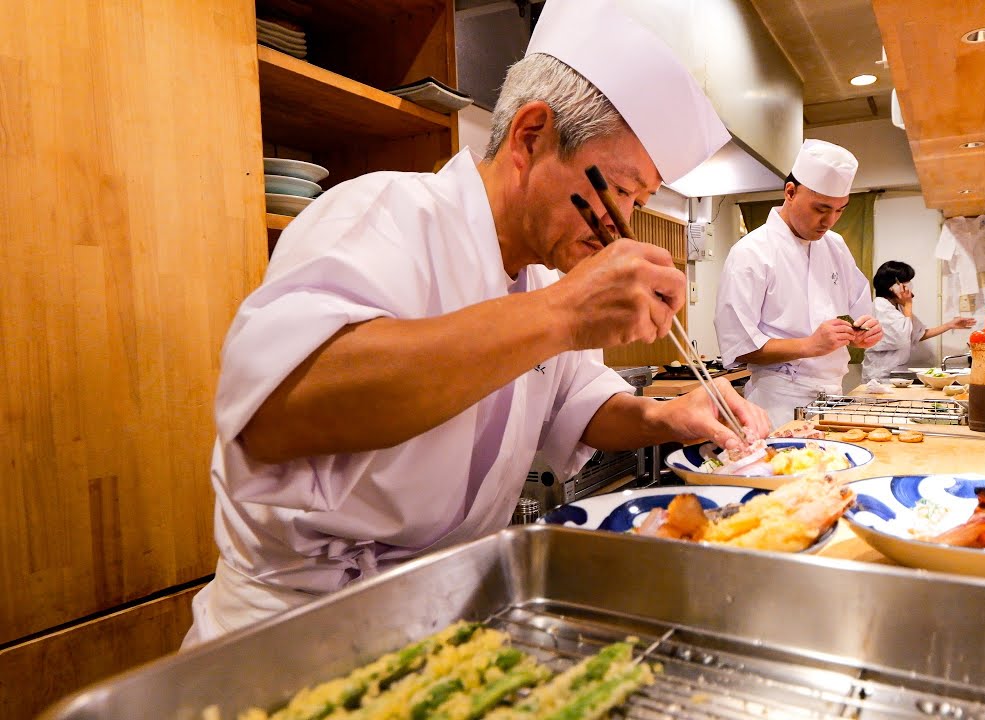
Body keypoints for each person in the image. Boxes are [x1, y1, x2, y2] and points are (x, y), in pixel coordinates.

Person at [183, 0, 770, 646]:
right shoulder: (383, 215)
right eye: (621, 191)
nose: (623, 221)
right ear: (530, 135)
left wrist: (664, 416)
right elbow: (280, 413)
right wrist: (564, 314)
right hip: (293, 632)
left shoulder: (544, 276)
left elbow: (576, 400)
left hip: (443, 618)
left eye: (637, 201)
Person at [714, 140, 884, 428]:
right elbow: (739, 346)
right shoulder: (752, 251)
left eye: (840, 210)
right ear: (790, 192)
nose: (829, 220)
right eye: (821, 208)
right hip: (778, 402)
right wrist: (809, 345)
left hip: (833, 396)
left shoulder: (836, 246)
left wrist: (863, 332)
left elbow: (858, 313)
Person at [861, 261, 976, 382]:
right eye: (906, 284)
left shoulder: (898, 307)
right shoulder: (881, 306)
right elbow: (903, 337)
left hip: (893, 373)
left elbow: (917, 334)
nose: (910, 290)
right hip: (879, 375)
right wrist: (908, 304)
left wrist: (949, 325)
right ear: (893, 286)